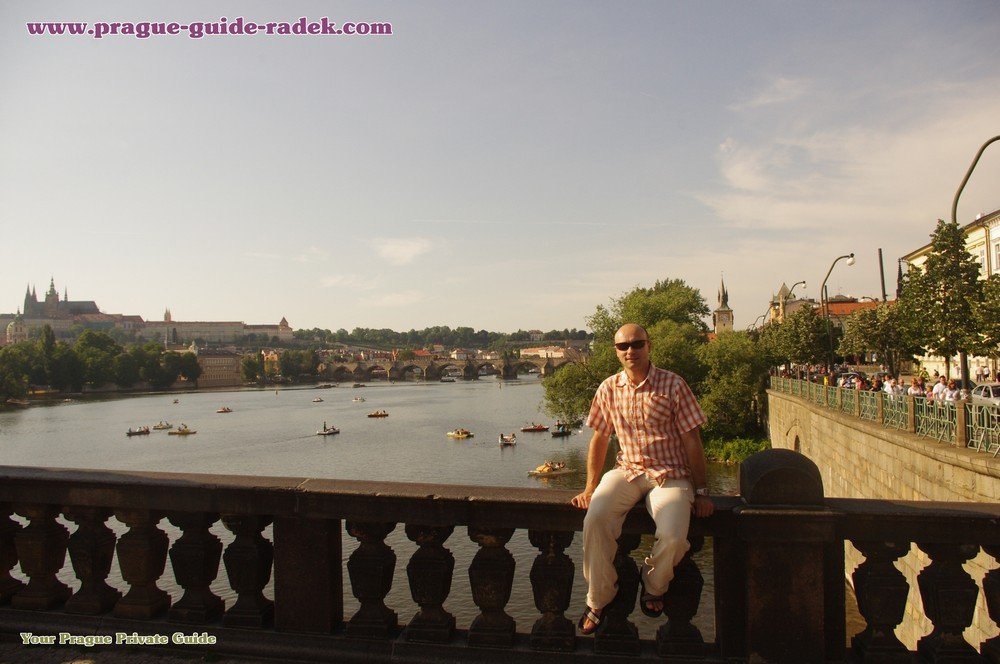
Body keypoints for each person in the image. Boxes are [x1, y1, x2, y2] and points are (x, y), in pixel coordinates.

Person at [571, 324, 713, 635]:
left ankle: (653, 584)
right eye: (623, 346)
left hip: (670, 473)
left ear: (649, 346)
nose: (630, 351)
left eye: (637, 344)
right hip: (628, 470)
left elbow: (692, 440)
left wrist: (702, 491)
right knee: (595, 518)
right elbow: (599, 439)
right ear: (616, 351)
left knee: (674, 536)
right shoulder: (608, 388)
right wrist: (590, 487)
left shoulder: (673, 384)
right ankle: (599, 596)